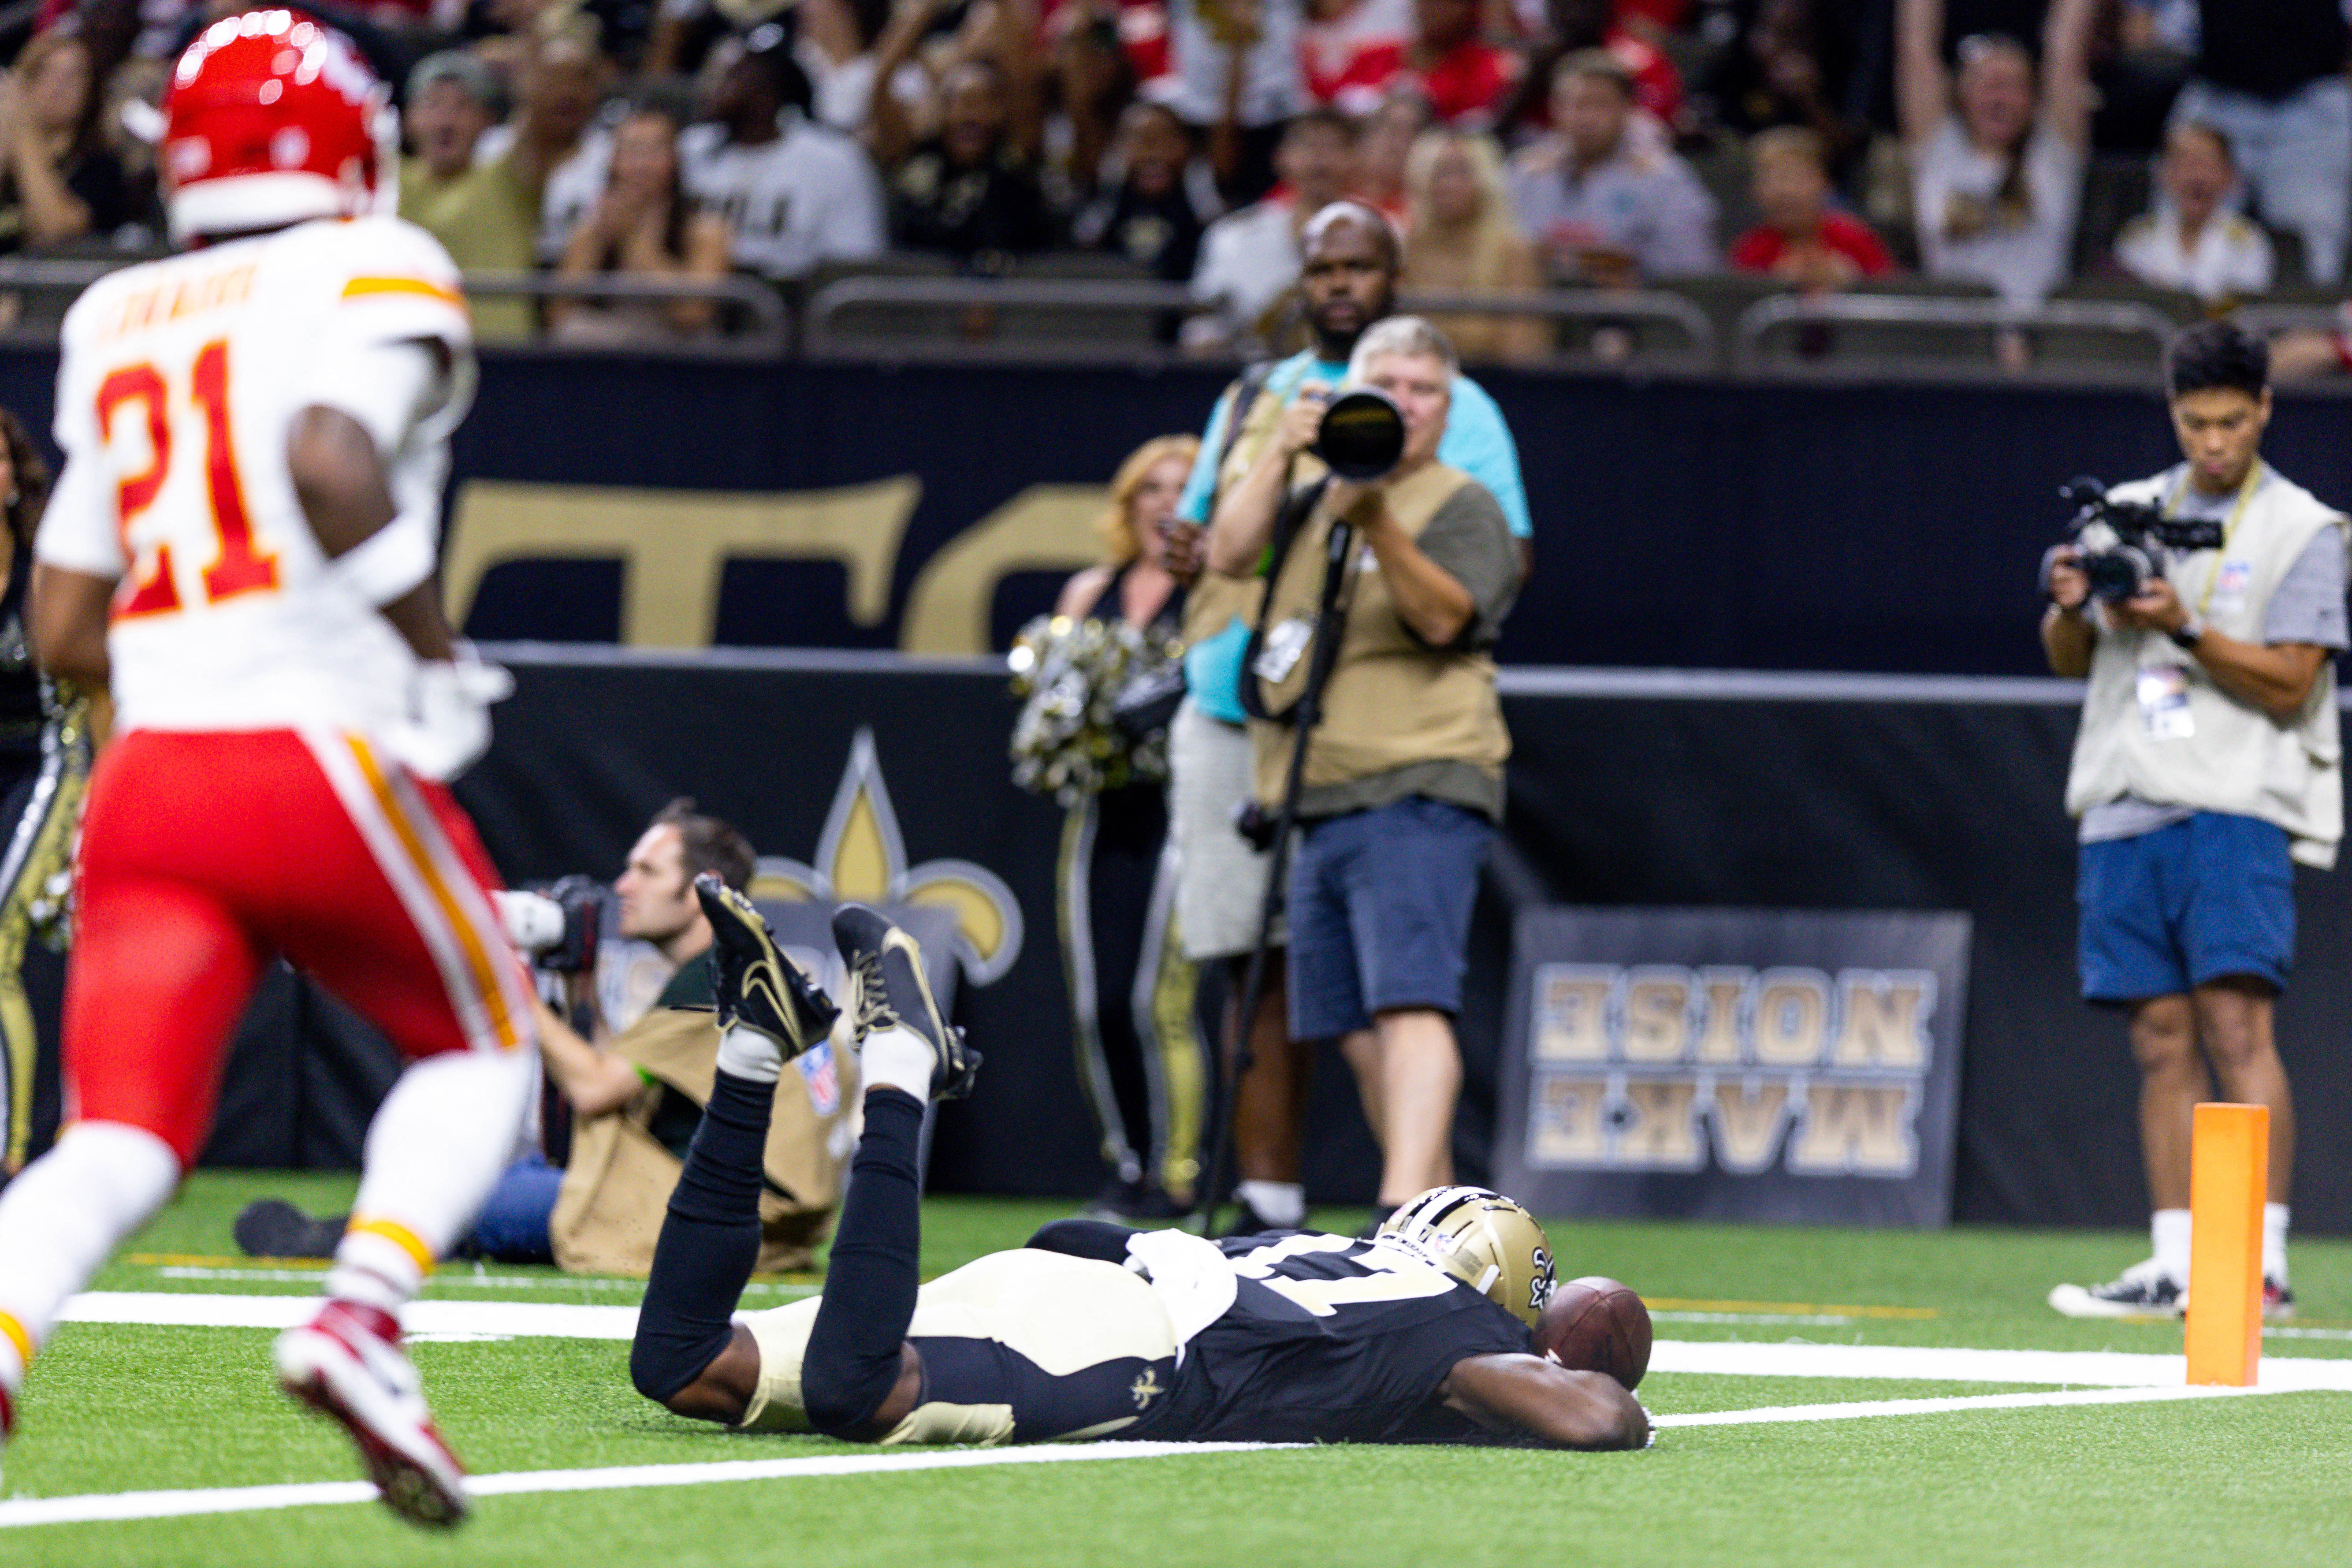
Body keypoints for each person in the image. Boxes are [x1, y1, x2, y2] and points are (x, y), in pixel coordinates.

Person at [0, 12, 538, 1529]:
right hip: (311, 745)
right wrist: (431, 650)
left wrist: (190, 667)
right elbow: (325, 450)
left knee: (118, 1133)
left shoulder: (120, 310)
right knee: (488, 1043)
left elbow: (60, 617)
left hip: (153, 773)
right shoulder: (373, 266)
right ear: (350, 142)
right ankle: (363, 1313)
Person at [626, 881, 1650, 1451]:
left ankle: (754, 1050)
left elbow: (1068, 1238)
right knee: (858, 1391)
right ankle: (897, 1063)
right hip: (1145, 1349)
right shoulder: (1459, 1329)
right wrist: (1543, 1373)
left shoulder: (1327, 1259)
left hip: (1093, 1283)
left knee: (686, 1367)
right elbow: (1599, 1416)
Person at [1170, 201, 1529, 1235]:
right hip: (1314, 792)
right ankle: (1440, 1217)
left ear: (1447, 405)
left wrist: (1375, 518)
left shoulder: (1458, 501)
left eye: (1426, 390)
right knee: (1353, 1023)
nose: (1406, 404)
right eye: (1389, 387)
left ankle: (1402, 1214)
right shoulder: (1312, 487)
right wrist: (1284, 456)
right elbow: (1229, 553)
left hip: (1415, 779)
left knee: (1409, 1005)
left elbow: (1445, 616)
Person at [2042, 321, 2345, 1321]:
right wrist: (2070, 601)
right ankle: (2177, 1263)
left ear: (2263, 410)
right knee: (2160, 1042)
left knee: (2235, 1025)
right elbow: (2065, 658)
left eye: (2230, 420)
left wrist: (2181, 623)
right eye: (2194, 421)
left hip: (2233, 804)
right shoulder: (2124, 511)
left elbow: (2292, 680)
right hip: (2126, 801)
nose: (2213, 441)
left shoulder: (2303, 527)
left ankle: (2257, 1264)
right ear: (2172, 415)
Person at [234, 801, 853, 1272]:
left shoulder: (712, 977)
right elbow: (632, 1072)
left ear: (699, 890)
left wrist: (504, 980)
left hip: (720, 1216)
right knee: (529, 1172)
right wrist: (581, 994)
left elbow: (595, 1088)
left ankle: (329, 1241)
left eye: (646, 870)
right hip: (759, 1212)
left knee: (485, 1192)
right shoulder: (745, 964)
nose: (623, 887)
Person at [1033, 436, 1210, 1222]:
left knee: (1155, 999)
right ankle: (1128, 1159)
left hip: (1179, 809)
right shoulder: (1089, 590)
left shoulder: (1213, 592)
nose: (1165, 504)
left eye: (1182, 490)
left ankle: (1180, 1168)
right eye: (1151, 489)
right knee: (1094, 1000)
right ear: (1128, 501)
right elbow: (1047, 698)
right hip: (1101, 807)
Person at [0, 406, 93, 1178]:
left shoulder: (47, 563)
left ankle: (12, 1158)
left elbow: (101, 682)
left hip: (49, 761)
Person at [1894, 0, 2096, 311]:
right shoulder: (1940, 148)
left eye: (2015, 86)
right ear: (1961, 96)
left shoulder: (2052, 153)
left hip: (2038, 337)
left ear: (2034, 100)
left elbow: (2066, 49)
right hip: (1954, 339)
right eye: (1988, 85)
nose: (2001, 98)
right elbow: (1916, 50)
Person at [2163, 0, 2349, 283]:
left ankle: (2306, 326)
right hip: (2218, 99)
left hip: (2312, 101)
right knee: (2169, 246)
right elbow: (2165, 31)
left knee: (2316, 257)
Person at [680, 31, 886, 283]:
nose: (715, 89)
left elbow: (853, 264)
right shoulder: (689, 148)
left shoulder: (835, 159)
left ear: (768, 95)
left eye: (731, 78)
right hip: (697, 294)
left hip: (795, 302)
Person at [1505, 50, 1714, 287]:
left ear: (1627, 109)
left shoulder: (1665, 177)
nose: (1586, 118)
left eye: (1600, 105)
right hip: (1536, 307)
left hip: (1632, 312)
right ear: (1555, 108)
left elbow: (1693, 270)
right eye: (1575, 104)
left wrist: (1631, 271)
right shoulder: (1524, 170)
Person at [554, 100, 733, 343]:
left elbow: (693, 312)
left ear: (675, 160)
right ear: (614, 162)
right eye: (632, 150)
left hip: (680, 353)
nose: (642, 164)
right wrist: (598, 241)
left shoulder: (706, 231)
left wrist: (633, 241)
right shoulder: (589, 231)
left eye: (655, 151)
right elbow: (560, 313)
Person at [1181, 106, 1355, 354]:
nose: (1319, 158)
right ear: (1281, 158)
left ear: (1356, 158)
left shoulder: (1385, 235)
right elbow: (1201, 327)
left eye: (1333, 146)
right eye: (1307, 145)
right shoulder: (1232, 236)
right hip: (1251, 373)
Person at [398, 52, 536, 341]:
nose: (446, 120)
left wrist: (529, 69)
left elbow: (542, 116)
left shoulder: (509, 175)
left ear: (487, 120)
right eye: (433, 104)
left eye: (463, 106)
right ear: (409, 118)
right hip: (413, 354)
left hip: (502, 356)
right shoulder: (386, 179)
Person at [1400, 127, 1546, 363]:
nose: (1448, 185)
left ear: (1485, 181)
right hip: (1415, 377)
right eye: (1439, 173)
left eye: (1461, 172)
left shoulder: (1512, 250)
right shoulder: (1406, 247)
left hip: (1496, 378)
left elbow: (1522, 346)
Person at [0, 29, 134, 252]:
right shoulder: (7, 159)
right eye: (44, 73)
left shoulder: (102, 166)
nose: (58, 86)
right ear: (24, 84)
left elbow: (59, 232)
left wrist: (22, 130)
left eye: (73, 75)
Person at [2112, 120, 2272, 304]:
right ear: (2164, 174)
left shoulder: (2248, 241)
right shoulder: (2138, 237)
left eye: (2207, 166)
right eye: (2185, 164)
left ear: (2229, 176)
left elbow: (2248, 310)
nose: (2196, 178)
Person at [1069, 100, 1224, 283]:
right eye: (1141, 139)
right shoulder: (1104, 201)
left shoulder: (1201, 204)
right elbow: (1082, 245)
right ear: (1117, 148)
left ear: (1188, 146)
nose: (1153, 151)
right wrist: (1109, 189)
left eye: (1166, 138)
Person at [1727, 125, 1895, 291]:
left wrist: (1854, 281)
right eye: (1772, 179)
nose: (1785, 191)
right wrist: (1776, 284)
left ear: (1826, 184)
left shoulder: (1854, 238)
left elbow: (1893, 294)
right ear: (1755, 191)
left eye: (1797, 177)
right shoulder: (1750, 251)